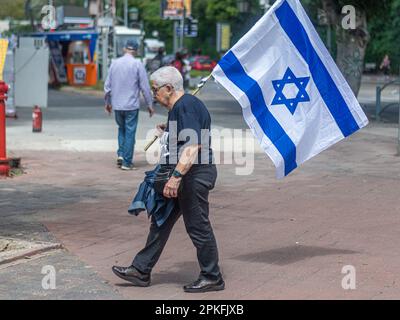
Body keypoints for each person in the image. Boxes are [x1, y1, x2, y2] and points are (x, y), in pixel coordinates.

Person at [112, 66, 224, 293]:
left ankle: (212, 277)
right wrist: (171, 129)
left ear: (169, 88)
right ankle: (141, 270)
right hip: (186, 174)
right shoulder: (182, 108)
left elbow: (193, 147)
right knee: (160, 222)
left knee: (198, 226)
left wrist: (175, 178)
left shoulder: (186, 106)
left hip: (193, 174)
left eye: (155, 90)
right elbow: (186, 135)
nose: (152, 95)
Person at [104, 40, 155, 170]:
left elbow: (107, 86)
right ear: (136, 51)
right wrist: (150, 104)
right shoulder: (137, 64)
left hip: (117, 105)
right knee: (130, 132)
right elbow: (145, 87)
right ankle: (127, 162)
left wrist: (107, 103)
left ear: (124, 49)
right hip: (131, 105)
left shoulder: (114, 63)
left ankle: (121, 154)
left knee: (121, 129)